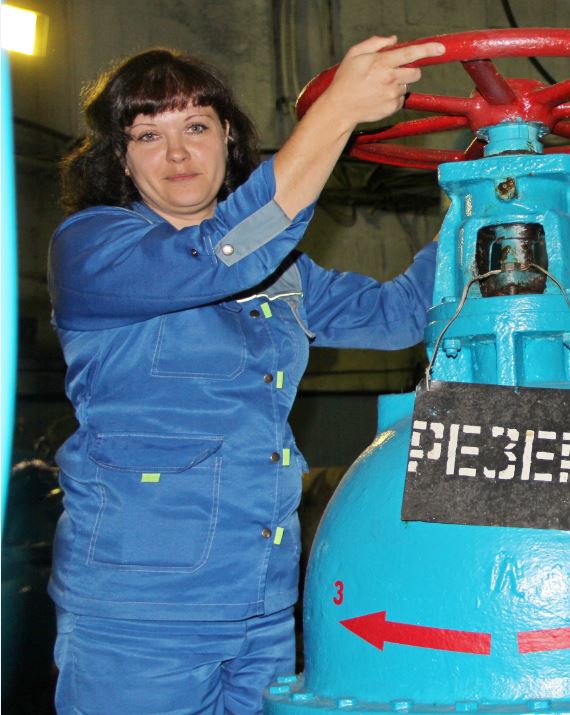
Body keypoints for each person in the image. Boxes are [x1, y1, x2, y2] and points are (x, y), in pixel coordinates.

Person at [47, 35, 445, 714]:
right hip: (140, 616)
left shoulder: (279, 269)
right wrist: (337, 113)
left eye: (196, 127)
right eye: (148, 136)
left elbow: (399, 315)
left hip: (261, 602)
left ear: (229, 139)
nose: (178, 154)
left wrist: (478, 211)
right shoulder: (93, 248)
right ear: (120, 157)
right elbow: (218, 256)